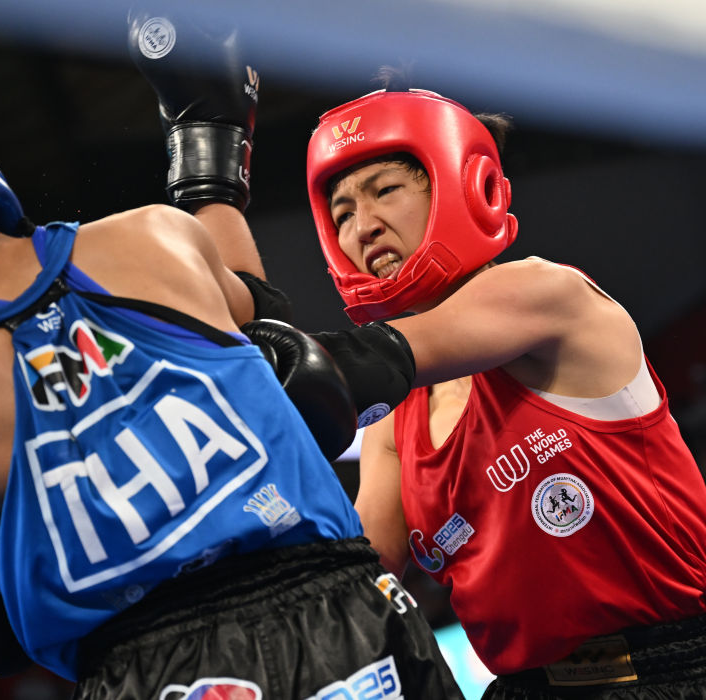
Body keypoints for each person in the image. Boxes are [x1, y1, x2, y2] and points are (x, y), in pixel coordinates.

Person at [0, 40, 464, 700]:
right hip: (349, 617)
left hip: (155, 672)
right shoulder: (153, 237)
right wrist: (208, 140)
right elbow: (276, 348)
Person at [301, 84, 706, 698]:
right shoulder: (395, 416)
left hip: (675, 668)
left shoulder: (550, 297)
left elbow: (354, 366)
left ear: (463, 187)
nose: (364, 227)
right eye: (342, 214)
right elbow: (358, 577)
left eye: (386, 190)